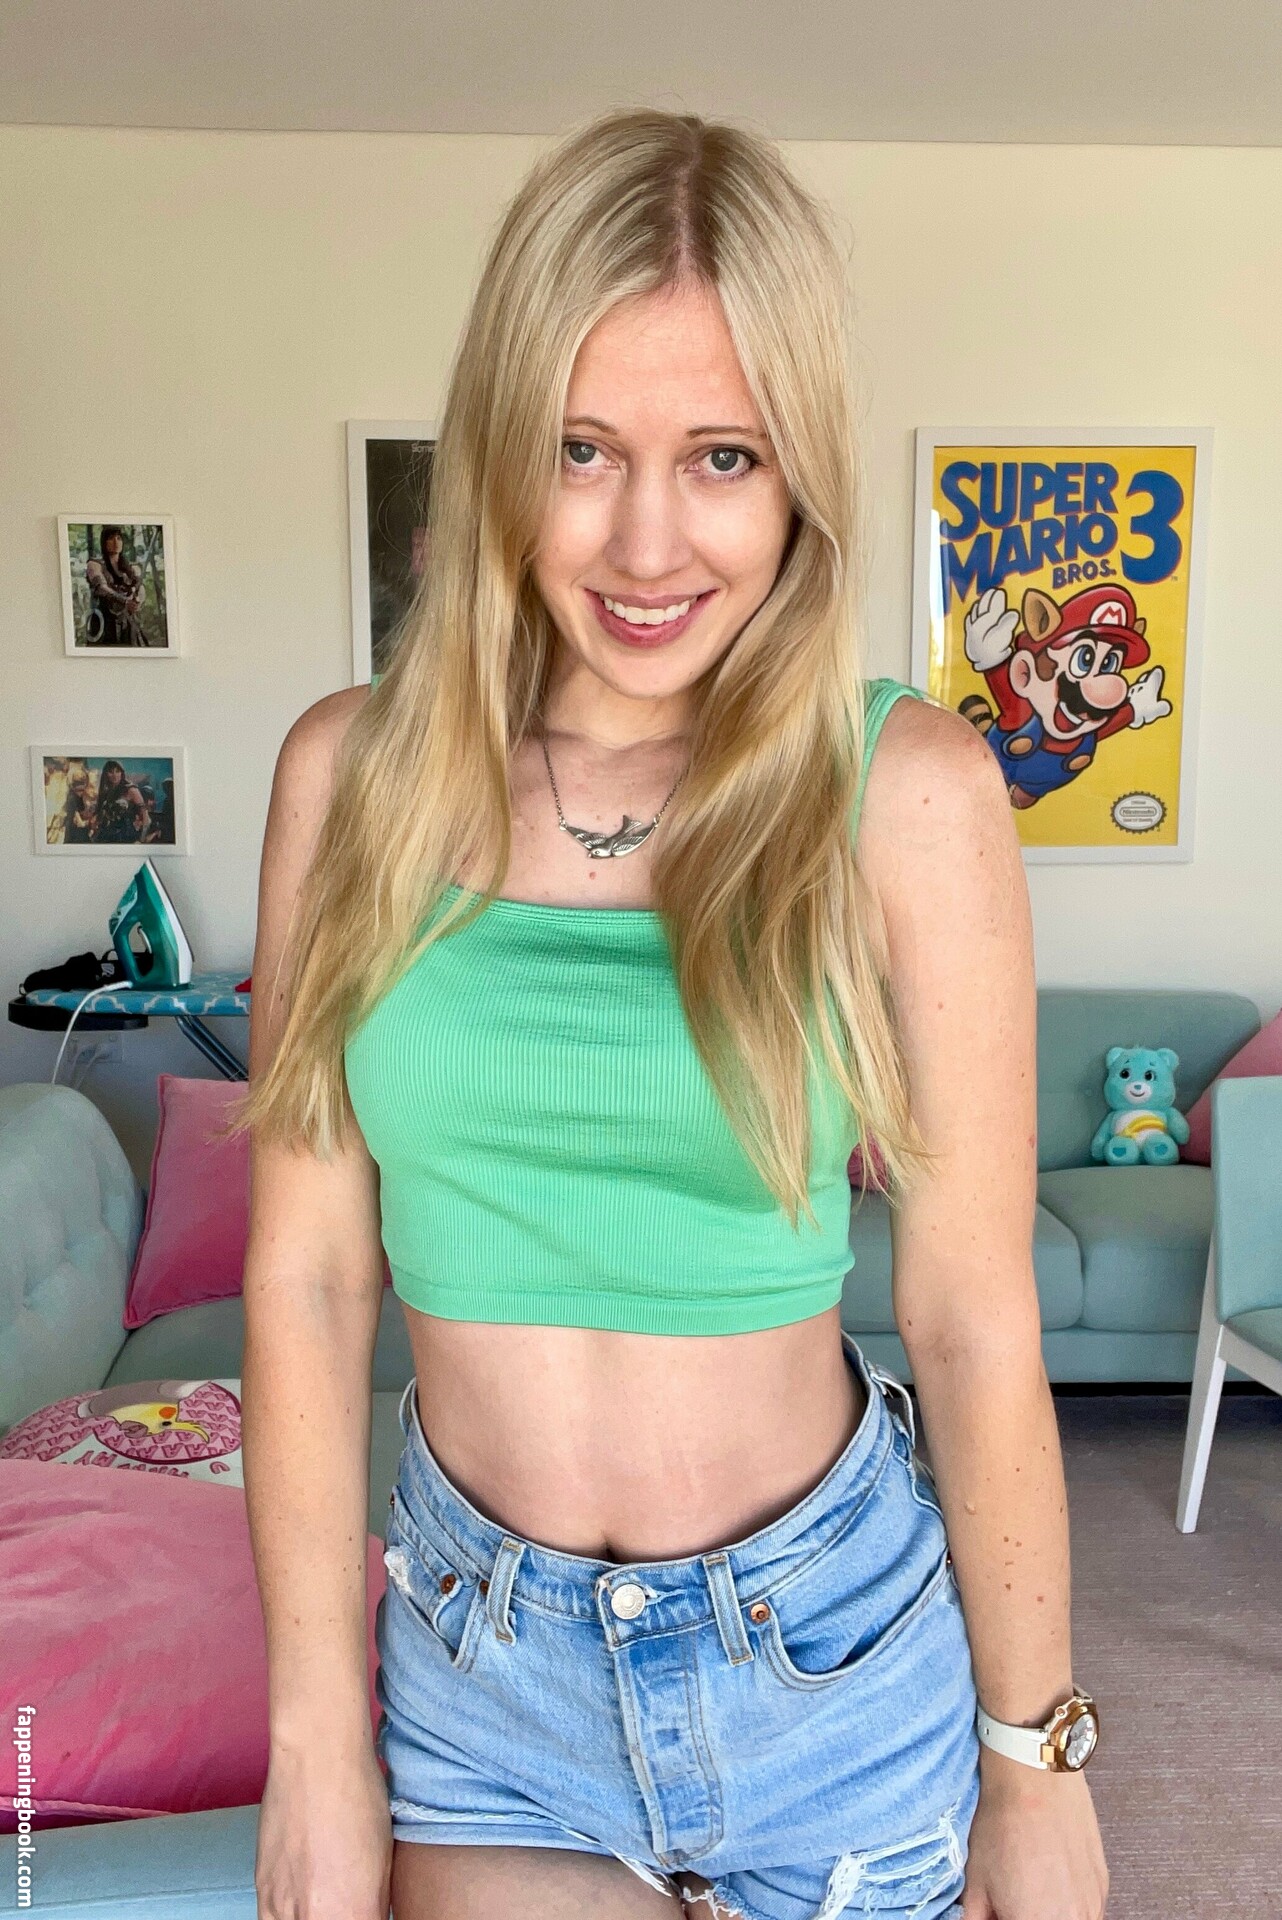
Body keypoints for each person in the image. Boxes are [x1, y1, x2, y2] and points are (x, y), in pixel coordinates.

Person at [234, 110, 1108, 1920]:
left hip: (827, 1657)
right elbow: (308, 1279)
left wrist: (1037, 1762)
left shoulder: (904, 794)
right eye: (583, 450)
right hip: (481, 1676)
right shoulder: (348, 778)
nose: (648, 541)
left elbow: (967, 1314)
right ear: (500, 449)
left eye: (722, 455)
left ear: (796, 476)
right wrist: (313, 1735)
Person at [83, 526, 147, 647]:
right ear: (104, 542)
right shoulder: (95, 565)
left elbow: (140, 589)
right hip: (104, 621)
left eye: (119, 538)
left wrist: (137, 601)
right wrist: (124, 601)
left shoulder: (132, 568)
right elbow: (102, 588)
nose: (115, 542)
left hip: (127, 621)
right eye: (111, 538)